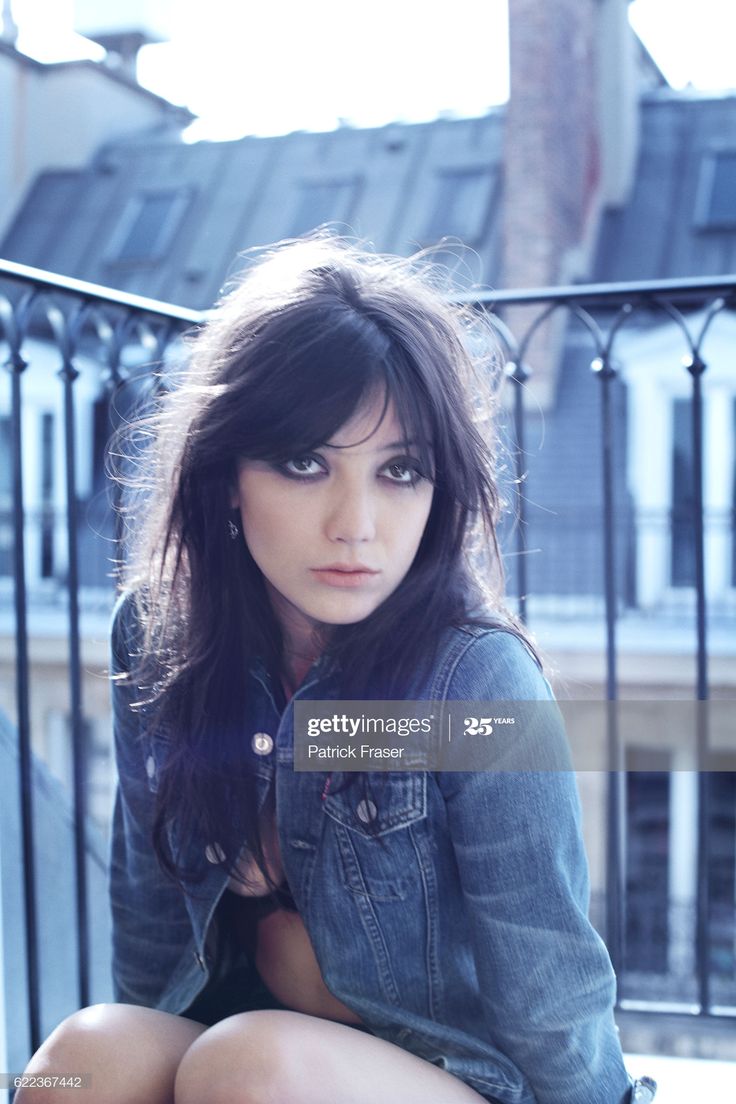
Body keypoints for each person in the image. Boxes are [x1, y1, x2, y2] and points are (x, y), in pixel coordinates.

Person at [16, 236, 647, 1104]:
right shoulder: (157, 635)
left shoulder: (475, 683)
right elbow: (152, 926)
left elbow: (552, 983)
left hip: (448, 1075)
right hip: (240, 1037)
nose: (357, 524)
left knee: (248, 1064)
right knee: (83, 1060)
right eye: (305, 463)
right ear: (227, 474)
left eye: (400, 470)